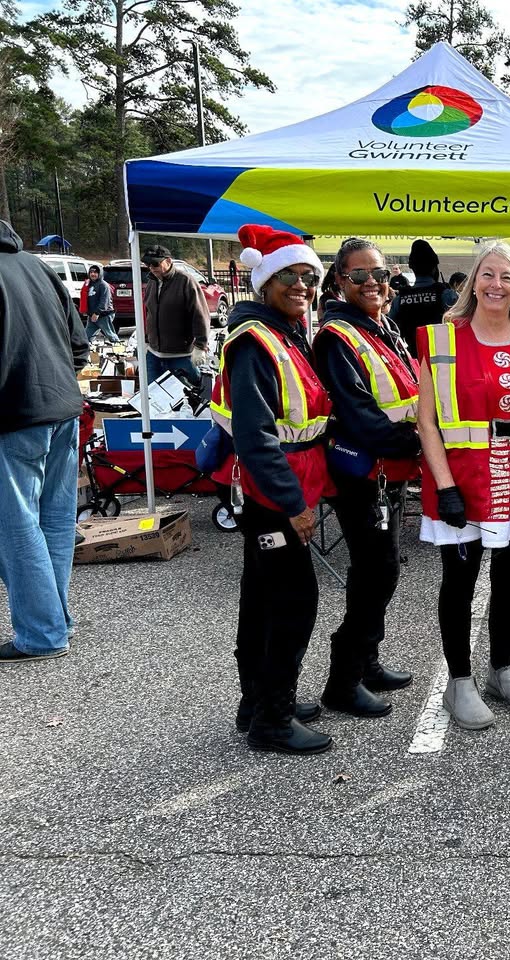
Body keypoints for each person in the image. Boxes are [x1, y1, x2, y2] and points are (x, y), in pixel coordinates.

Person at [417, 241, 510, 731]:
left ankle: (501, 669)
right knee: (459, 583)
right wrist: (445, 486)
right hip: (464, 480)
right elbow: (427, 422)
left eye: (507, 276)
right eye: (488, 274)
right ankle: (460, 681)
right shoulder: (442, 340)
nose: (496, 285)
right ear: (472, 280)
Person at [209, 225, 333, 755]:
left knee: (260, 599)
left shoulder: (283, 331)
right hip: (274, 496)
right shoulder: (256, 341)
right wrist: (294, 505)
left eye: (309, 277)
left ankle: (256, 699)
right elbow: (257, 436)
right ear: (265, 281)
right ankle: (273, 718)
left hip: (281, 491)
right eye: (290, 276)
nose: (301, 286)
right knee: (293, 602)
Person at [313, 238, 421, 717]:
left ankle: (368, 661)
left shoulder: (383, 327)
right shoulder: (338, 337)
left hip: (390, 474)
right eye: (359, 276)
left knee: (384, 570)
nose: (372, 283)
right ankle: (343, 680)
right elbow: (358, 415)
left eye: (379, 274)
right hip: (363, 477)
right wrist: (419, 443)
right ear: (340, 281)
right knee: (373, 574)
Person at [0, 220, 89, 665]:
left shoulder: (32, 267)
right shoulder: (38, 267)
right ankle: (52, 623)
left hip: (15, 416)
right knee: (52, 520)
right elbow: (80, 343)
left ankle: (42, 632)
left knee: (16, 526)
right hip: (61, 408)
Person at [141, 244, 210, 385]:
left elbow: (200, 314)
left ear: (168, 261)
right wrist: (146, 339)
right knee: (155, 399)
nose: (152, 268)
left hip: (181, 355)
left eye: (155, 263)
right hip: (154, 354)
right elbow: (148, 313)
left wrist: (201, 345)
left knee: (189, 399)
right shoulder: (151, 283)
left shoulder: (186, 281)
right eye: (148, 264)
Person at [389, 239, 448, 359]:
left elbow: (392, 333)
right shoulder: (446, 294)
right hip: (446, 363)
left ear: (412, 268)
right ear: (434, 268)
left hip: (414, 362)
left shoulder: (400, 299)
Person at [83, 265, 121, 343]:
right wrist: (86, 310)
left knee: (110, 334)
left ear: (100, 274)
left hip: (104, 315)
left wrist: (97, 313)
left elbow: (104, 301)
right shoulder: (89, 284)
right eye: (91, 272)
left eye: (95, 272)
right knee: (86, 336)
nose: (93, 274)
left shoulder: (103, 285)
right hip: (92, 315)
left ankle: (119, 349)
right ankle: (87, 352)